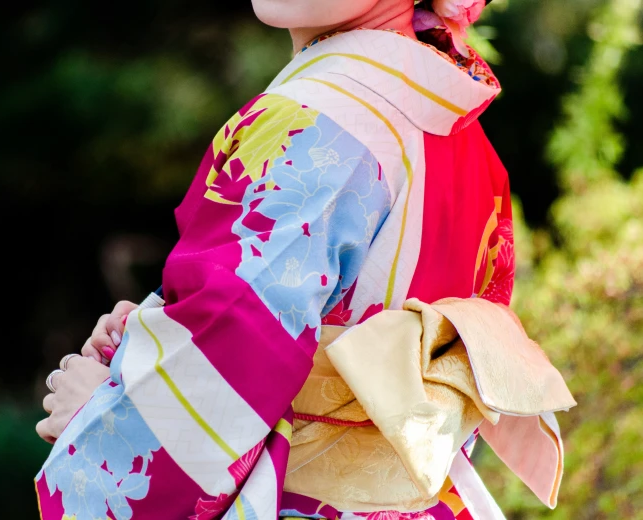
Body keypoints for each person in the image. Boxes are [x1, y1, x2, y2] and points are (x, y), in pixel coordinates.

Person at [34, 1, 576, 518]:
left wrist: (105, 420)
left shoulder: (315, 122)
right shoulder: (461, 134)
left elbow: (233, 342)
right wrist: (149, 340)